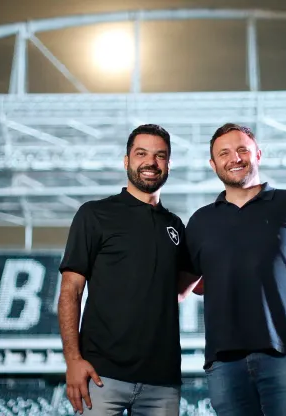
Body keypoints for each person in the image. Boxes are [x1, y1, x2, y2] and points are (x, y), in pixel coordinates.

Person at [185, 123, 286, 416]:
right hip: (224, 363)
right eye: (224, 153)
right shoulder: (200, 221)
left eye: (242, 150)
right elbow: (184, 286)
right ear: (213, 164)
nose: (234, 158)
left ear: (258, 154)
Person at [57, 124, 200, 416]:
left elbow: (179, 290)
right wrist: (73, 359)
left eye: (160, 155)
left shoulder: (175, 225)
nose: (151, 162)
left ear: (168, 164)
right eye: (141, 153)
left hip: (162, 382)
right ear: (126, 161)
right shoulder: (94, 214)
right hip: (101, 375)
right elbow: (70, 290)